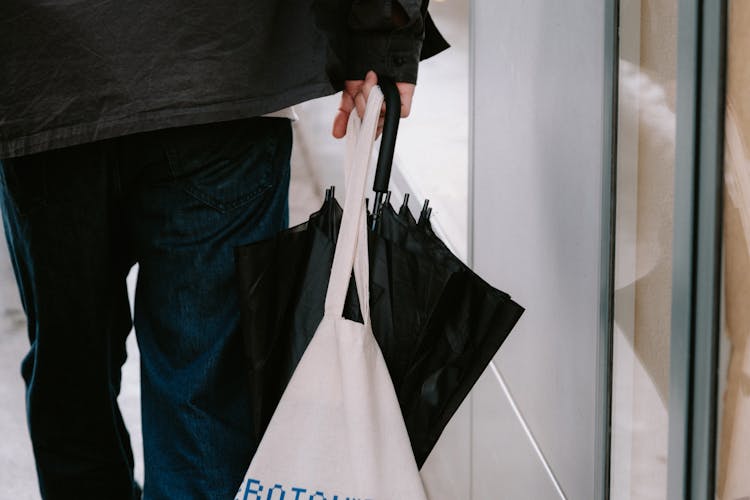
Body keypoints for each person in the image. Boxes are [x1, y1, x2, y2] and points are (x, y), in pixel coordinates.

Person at [0, 1, 447, 499]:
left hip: (42, 75)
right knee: (206, 402)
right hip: (223, 64)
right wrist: (385, 40)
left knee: (72, 379)